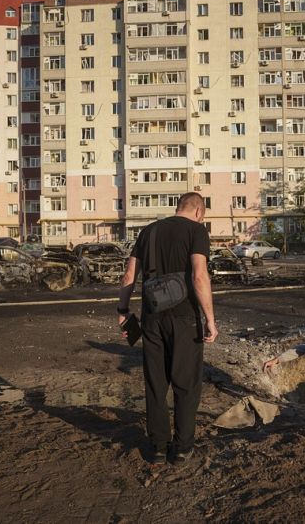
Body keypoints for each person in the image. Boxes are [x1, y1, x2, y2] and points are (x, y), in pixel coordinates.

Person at [117, 192, 218, 464]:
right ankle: (183, 448)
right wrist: (210, 318)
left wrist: (123, 311)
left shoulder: (148, 232)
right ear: (199, 211)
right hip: (185, 317)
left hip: (152, 318)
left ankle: (159, 447)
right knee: (186, 384)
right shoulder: (197, 231)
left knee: (156, 383)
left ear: (178, 207)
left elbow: (129, 276)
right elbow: (199, 274)